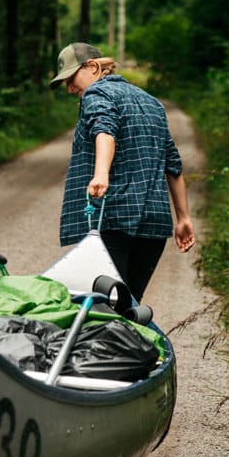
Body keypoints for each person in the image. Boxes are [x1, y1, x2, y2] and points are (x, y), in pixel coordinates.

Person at [50, 41, 196, 302]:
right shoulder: (152, 102)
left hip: (112, 217)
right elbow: (172, 163)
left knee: (106, 309)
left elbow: (104, 130)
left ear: (92, 67)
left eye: (71, 78)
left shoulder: (96, 94)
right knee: (128, 308)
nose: (70, 87)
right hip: (154, 225)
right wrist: (183, 217)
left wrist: (101, 173)